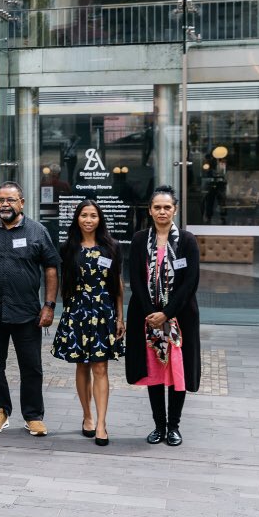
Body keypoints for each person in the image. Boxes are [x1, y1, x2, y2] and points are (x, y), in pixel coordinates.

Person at [0, 181, 60, 436]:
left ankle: (33, 416)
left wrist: (49, 306)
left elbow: (51, 268)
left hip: (27, 312)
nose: (4, 205)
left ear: (21, 203)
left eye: (10, 200)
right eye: (0, 200)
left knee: (31, 366)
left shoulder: (38, 231)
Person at [126, 186, 201, 447]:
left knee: (176, 372)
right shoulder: (138, 239)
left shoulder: (188, 241)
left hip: (178, 319)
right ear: (150, 210)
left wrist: (167, 313)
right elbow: (134, 278)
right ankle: (159, 425)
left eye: (167, 207)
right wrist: (151, 313)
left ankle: (174, 427)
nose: (162, 211)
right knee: (155, 373)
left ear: (175, 210)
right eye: (157, 207)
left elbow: (190, 282)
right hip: (147, 319)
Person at [50, 199, 124, 446]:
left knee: (101, 367)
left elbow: (118, 285)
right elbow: (60, 280)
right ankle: (87, 416)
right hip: (78, 311)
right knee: (82, 366)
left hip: (103, 311)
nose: (89, 220)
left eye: (93, 215)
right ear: (77, 219)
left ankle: (102, 423)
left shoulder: (111, 247)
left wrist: (120, 316)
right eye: (84, 215)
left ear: (100, 218)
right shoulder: (68, 248)